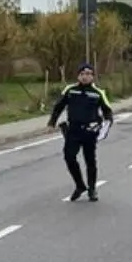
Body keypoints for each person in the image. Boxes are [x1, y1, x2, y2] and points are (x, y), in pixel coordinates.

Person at [47, 63, 114, 202]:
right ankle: (80, 185)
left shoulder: (98, 93)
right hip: (73, 130)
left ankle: (92, 189)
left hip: (90, 130)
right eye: (83, 74)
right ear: (78, 76)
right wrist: (52, 122)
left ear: (93, 77)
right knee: (69, 157)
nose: (85, 77)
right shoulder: (70, 90)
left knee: (90, 160)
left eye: (89, 74)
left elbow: (108, 112)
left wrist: (103, 129)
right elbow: (59, 106)